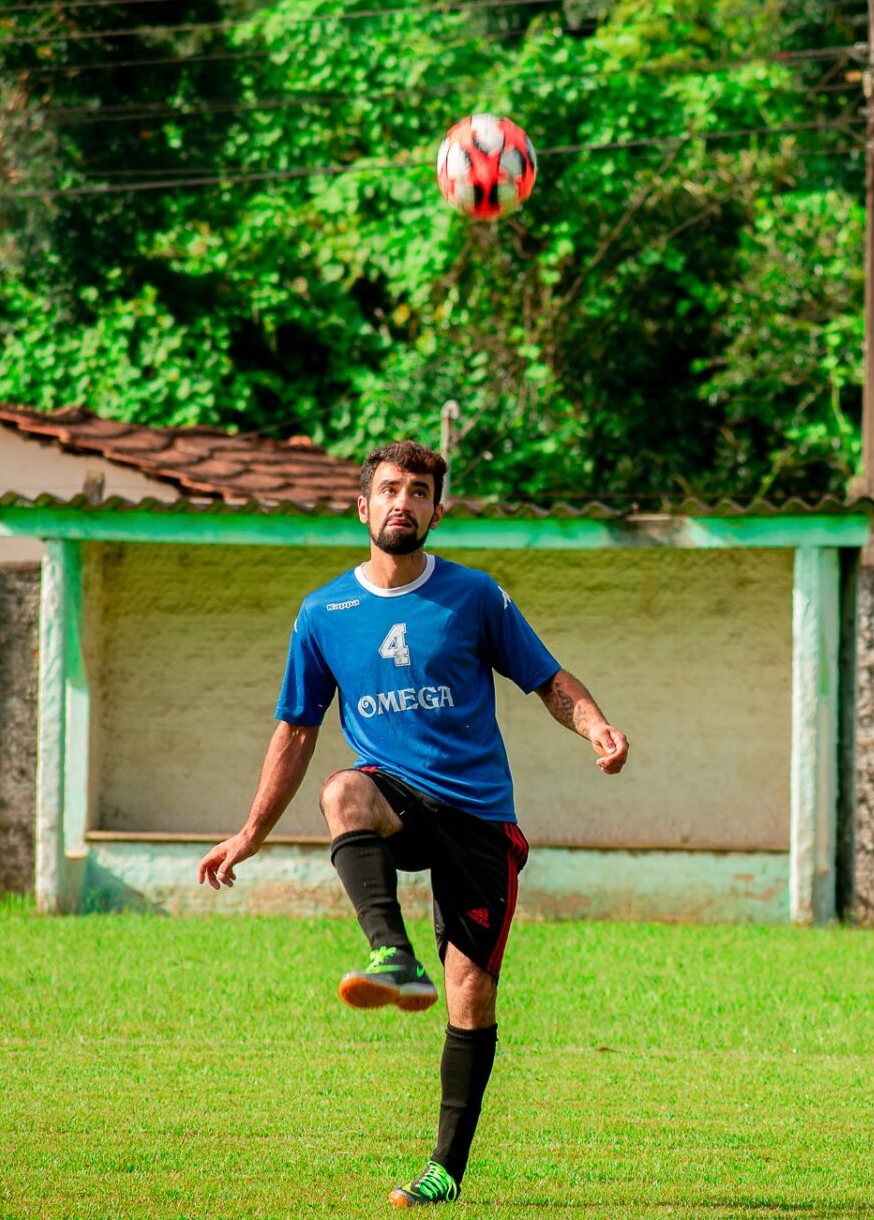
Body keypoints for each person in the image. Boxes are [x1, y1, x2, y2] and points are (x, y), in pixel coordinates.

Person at [196, 439, 629, 1208]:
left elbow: (547, 679)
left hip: (477, 819)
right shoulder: (324, 612)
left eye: (420, 491)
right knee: (341, 791)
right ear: (362, 507)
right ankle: (391, 956)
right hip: (394, 799)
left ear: (437, 510)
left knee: (472, 993)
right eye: (390, 489)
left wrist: (594, 726)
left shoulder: (474, 597)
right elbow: (296, 730)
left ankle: (445, 1170)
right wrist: (249, 834)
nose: (404, 501)